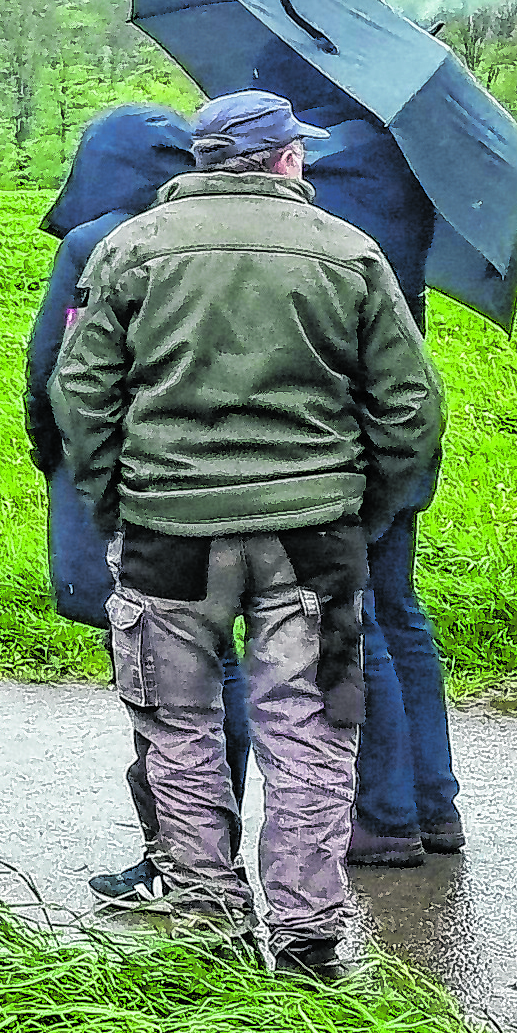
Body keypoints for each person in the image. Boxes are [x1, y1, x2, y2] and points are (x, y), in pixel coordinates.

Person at [52, 89, 445, 980]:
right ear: (284, 159)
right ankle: (307, 936)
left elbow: (79, 392)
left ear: (203, 161)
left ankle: (207, 918)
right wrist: (363, 502)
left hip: (166, 531)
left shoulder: (127, 250)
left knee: (176, 729)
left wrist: (115, 495)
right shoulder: (348, 251)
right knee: (307, 730)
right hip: (313, 537)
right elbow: (411, 404)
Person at [27, 104, 254, 909]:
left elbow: (55, 370)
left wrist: (59, 463)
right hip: (243, 484)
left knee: (161, 673)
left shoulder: (97, 245)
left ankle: (176, 849)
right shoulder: (224, 230)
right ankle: (216, 840)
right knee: (225, 662)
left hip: (135, 490)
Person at [255, 45, 465, 867]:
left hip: (348, 419)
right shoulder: (402, 159)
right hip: (404, 413)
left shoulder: (332, 176)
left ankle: (380, 816)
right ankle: (430, 803)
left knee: (358, 612)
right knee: (398, 609)